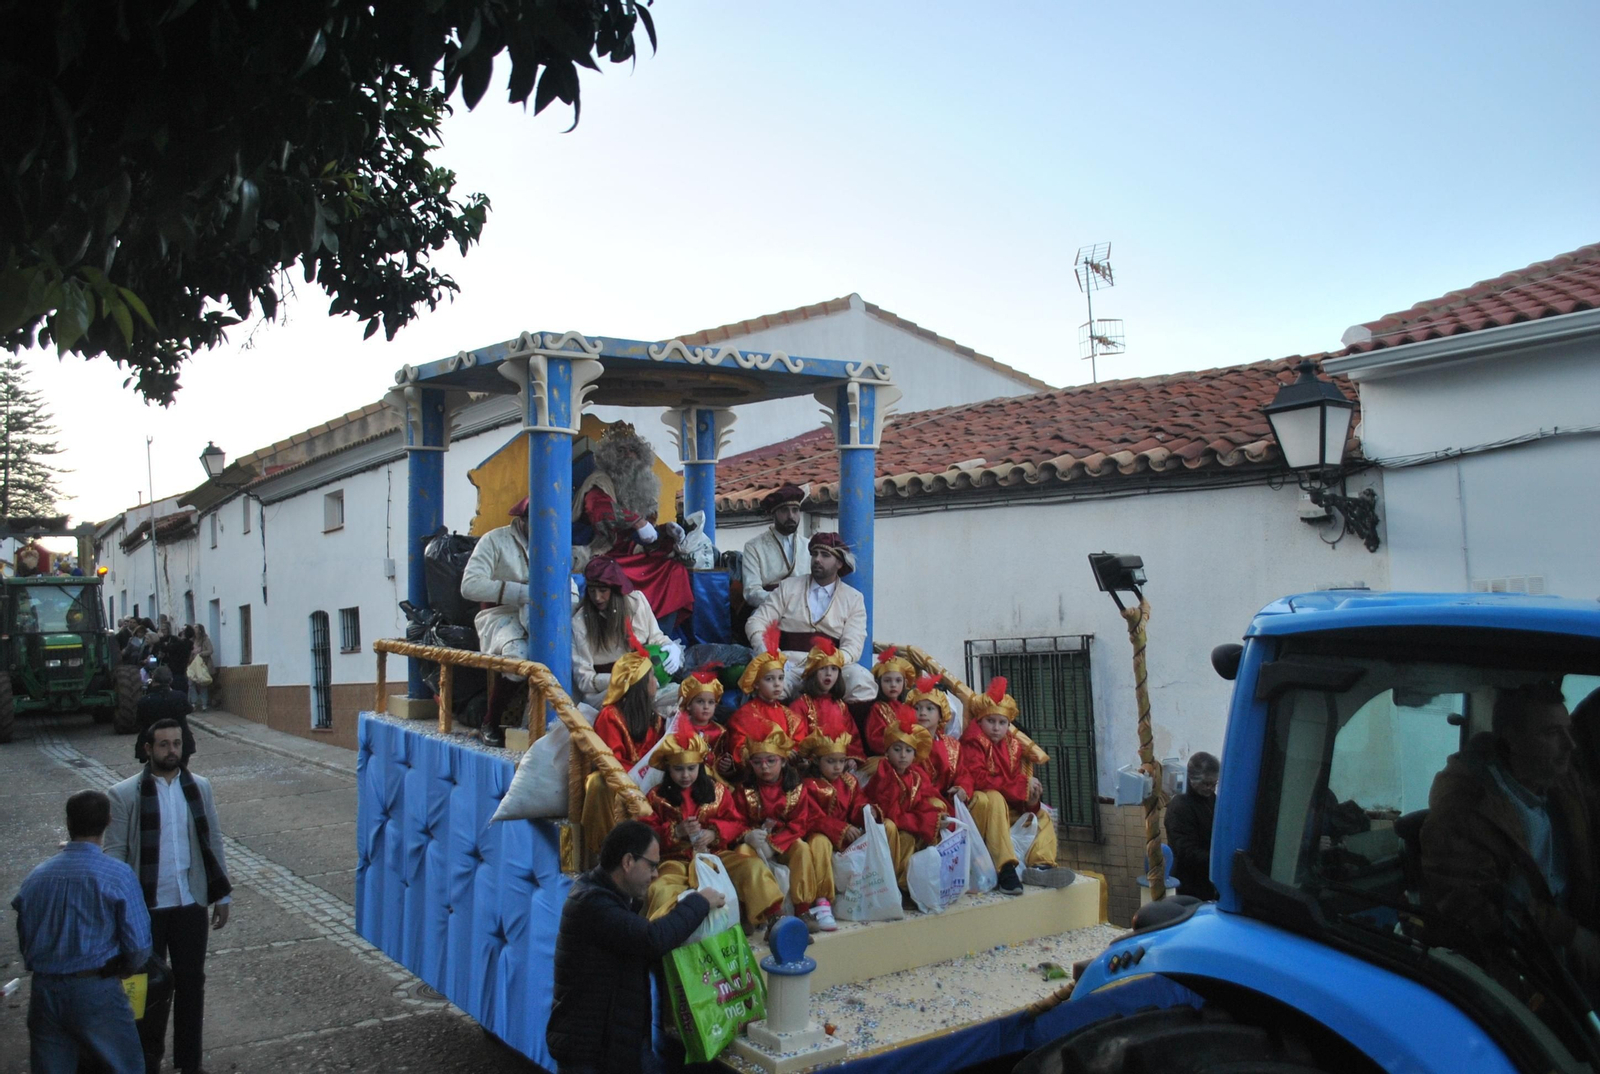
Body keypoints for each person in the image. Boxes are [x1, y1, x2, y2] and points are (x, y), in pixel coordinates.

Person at [1420, 682, 1600, 992]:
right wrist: (1574, 937)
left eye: (1568, 730)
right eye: (1552, 733)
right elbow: (1481, 908)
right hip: (1513, 971)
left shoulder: (1560, 782)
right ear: (1513, 740)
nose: (1570, 744)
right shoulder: (1464, 810)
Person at [547, 819, 725, 1074]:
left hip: (619, 1046)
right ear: (628, 862)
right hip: (589, 1054)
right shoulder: (592, 903)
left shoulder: (612, 898)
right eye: (652, 866)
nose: (656, 875)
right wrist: (699, 902)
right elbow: (652, 939)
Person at [105, 720, 232, 1074]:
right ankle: (145, 1063)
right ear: (148, 750)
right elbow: (114, 853)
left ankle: (189, 1063)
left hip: (189, 901)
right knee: (142, 990)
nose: (171, 750)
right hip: (144, 908)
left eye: (176, 743)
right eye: (163, 745)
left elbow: (213, 841)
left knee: (192, 983)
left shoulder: (199, 788)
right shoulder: (124, 793)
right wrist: (117, 909)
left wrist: (223, 895)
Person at [12, 789, 152, 1074]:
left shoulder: (36, 877)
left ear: (68, 822)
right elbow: (138, 945)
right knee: (124, 1065)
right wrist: (126, 967)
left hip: (45, 988)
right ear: (108, 821)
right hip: (95, 988)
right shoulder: (117, 875)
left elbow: (25, 936)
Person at [642, 729, 783, 928]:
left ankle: (777, 920)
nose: (685, 775)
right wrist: (676, 831)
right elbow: (646, 836)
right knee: (660, 888)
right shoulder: (656, 797)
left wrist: (714, 833)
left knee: (753, 868)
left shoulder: (717, 791)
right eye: (678, 769)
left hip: (716, 856)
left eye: (691, 768)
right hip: (675, 861)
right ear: (668, 769)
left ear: (700, 766)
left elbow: (737, 823)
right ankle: (663, 933)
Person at [573, 422, 693, 625]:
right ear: (609, 456)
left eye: (633, 450)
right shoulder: (599, 481)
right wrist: (637, 522)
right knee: (616, 576)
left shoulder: (644, 485)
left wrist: (666, 533)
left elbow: (647, 536)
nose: (628, 455)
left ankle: (662, 637)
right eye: (621, 450)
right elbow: (599, 511)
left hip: (631, 554)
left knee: (675, 570)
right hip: (601, 553)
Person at [951, 677, 1058, 895]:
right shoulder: (973, 741)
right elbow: (979, 778)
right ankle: (1005, 867)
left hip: (1005, 809)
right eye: (991, 721)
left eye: (1002, 723)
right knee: (994, 796)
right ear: (980, 722)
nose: (997, 728)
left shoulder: (1013, 746)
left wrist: (1030, 799)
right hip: (979, 808)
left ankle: (1041, 865)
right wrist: (1020, 786)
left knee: (1042, 816)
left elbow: (1014, 783)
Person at [745, 532, 875, 702]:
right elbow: (756, 622)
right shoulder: (788, 587)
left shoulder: (854, 598)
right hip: (789, 665)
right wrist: (771, 655)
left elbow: (854, 643)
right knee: (774, 685)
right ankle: (781, 728)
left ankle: (849, 728)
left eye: (825, 555)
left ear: (839, 563)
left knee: (862, 682)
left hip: (831, 668)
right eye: (814, 554)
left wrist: (833, 662)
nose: (817, 559)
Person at [737, 727, 837, 931]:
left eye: (770, 761)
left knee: (801, 848)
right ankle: (750, 911)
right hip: (755, 844)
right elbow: (736, 820)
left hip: (783, 842)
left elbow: (799, 823)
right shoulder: (744, 790)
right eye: (757, 762)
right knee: (741, 855)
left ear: (783, 760)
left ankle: (803, 909)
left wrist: (773, 845)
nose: (764, 767)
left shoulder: (796, 788)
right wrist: (747, 836)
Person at [580, 629, 666, 865]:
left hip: (647, 783)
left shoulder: (655, 719)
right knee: (598, 782)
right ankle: (604, 854)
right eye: (651, 677)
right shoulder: (610, 716)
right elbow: (611, 762)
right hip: (621, 783)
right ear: (639, 683)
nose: (656, 682)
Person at [571, 556, 681, 711]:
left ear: (616, 589)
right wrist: (624, 679)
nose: (597, 597)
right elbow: (585, 680)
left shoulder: (637, 602)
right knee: (637, 700)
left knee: (686, 695)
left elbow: (656, 638)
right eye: (592, 590)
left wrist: (671, 648)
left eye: (603, 590)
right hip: (608, 693)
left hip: (648, 685)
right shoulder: (580, 623)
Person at [863, 713, 948, 888]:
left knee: (915, 833)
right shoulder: (884, 774)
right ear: (886, 751)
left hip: (905, 824)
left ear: (915, 755)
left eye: (908, 750)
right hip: (884, 827)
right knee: (894, 829)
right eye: (897, 749)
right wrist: (923, 822)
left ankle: (909, 884)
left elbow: (922, 803)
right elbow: (890, 812)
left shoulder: (916, 775)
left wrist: (936, 818)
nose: (903, 755)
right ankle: (891, 883)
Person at [722, 625, 807, 773]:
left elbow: (800, 746)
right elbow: (739, 751)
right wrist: (778, 753)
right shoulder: (744, 716)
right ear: (755, 683)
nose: (777, 684)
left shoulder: (791, 717)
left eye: (780, 678)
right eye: (769, 679)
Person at [789, 639, 865, 765]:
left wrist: (852, 758)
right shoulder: (800, 705)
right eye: (823, 668)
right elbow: (797, 741)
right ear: (813, 672)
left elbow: (853, 737)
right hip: (812, 768)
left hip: (839, 767)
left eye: (834, 669)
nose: (829, 674)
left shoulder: (841, 706)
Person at [740, 485, 808, 609]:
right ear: (774, 514)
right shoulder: (754, 547)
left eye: (795, 510)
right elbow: (751, 592)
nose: (791, 516)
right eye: (784, 510)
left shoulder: (808, 546)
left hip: (804, 607)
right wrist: (782, 600)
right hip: (769, 608)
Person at [1165, 752, 1220, 901]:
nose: (1210, 788)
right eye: (1206, 783)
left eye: (1214, 784)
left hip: (1207, 880)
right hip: (1188, 884)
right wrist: (1218, 861)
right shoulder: (1180, 806)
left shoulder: (1210, 798)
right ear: (1191, 778)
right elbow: (1186, 851)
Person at [905, 673, 961, 794]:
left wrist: (961, 788)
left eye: (930, 709)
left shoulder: (952, 746)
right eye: (917, 708)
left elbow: (963, 773)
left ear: (941, 714)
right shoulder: (906, 742)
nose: (923, 713)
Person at [135, 667, 196, 765]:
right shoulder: (179, 696)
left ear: (153, 680)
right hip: (181, 741)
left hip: (154, 742)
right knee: (182, 772)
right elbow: (189, 710)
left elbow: (139, 721)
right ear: (170, 680)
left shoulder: (145, 701)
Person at [863, 647, 918, 755]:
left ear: (905, 683)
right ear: (879, 683)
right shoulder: (877, 708)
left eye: (898, 680)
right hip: (886, 757)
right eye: (887, 680)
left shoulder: (907, 708)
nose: (893, 685)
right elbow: (874, 739)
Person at [190, 625, 214, 711]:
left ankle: (204, 704)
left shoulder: (205, 640)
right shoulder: (191, 641)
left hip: (202, 664)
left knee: (203, 684)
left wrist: (201, 654)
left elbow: (210, 650)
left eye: (196, 627)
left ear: (200, 630)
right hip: (193, 665)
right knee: (191, 683)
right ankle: (194, 702)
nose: (194, 629)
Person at [164, 626, 194, 697]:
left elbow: (168, 648)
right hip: (181, 670)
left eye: (183, 629)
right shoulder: (188, 643)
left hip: (176, 670)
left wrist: (164, 643)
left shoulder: (181, 644)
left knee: (177, 689)